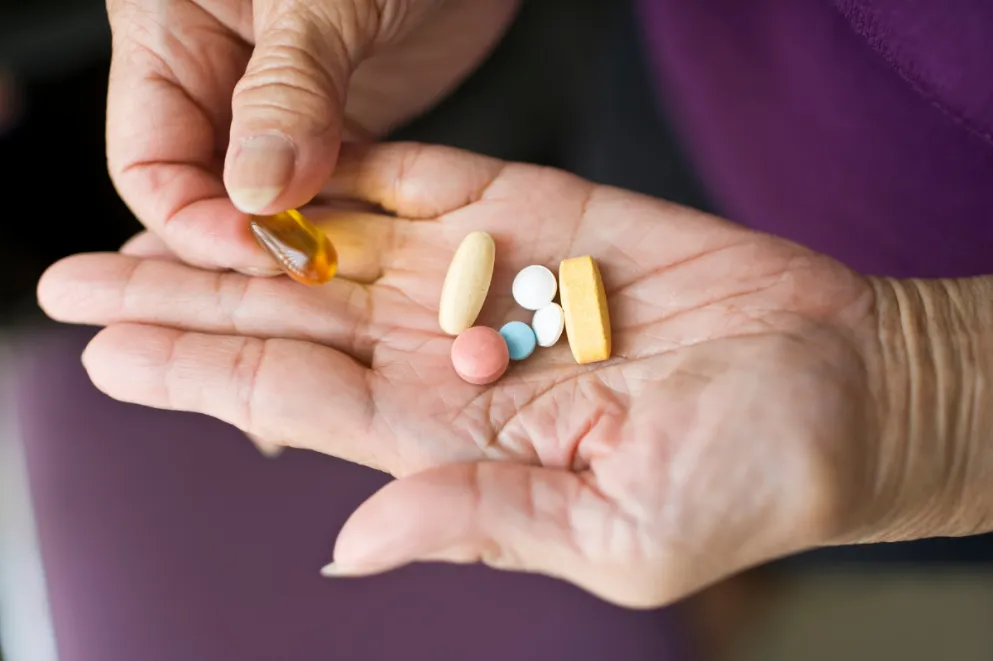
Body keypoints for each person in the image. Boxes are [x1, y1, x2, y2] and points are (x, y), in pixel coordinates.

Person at [37, 0, 993, 611]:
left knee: (790, 512)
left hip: (932, 355)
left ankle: (759, 580)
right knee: (750, 517)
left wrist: (922, 390)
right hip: (692, 104)